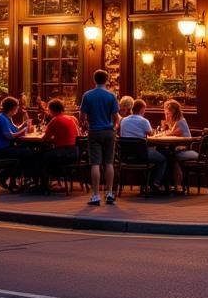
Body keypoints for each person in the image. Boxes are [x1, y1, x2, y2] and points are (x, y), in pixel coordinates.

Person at [79, 69, 119, 206]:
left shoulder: (88, 95)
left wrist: (85, 124)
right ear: (107, 80)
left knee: (95, 163)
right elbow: (115, 117)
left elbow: (82, 116)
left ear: (94, 80)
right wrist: (112, 126)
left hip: (94, 131)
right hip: (108, 131)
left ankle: (95, 195)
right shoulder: (111, 96)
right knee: (108, 162)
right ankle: (109, 193)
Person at [119, 98, 167, 192]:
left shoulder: (123, 121)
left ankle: (147, 183)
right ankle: (155, 183)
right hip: (142, 154)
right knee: (163, 159)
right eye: (144, 109)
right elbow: (151, 134)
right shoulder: (144, 121)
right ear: (142, 109)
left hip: (126, 156)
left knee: (156, 155)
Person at [39, 98, 80, 191]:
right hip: (75, 151)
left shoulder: (55, 120)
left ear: (51, 110)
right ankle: (51, 180)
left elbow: (44, 139)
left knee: (41, 157)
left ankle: (44, 185)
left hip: (65, 152)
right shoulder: (72, 118)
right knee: (47, 155)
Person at [157, 99, 196, 191]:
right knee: (165, 153)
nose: (165, 113)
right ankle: (168, 184)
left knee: (169, 155)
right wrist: (164, 128)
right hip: (178, 147)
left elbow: (174, 133)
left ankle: (176, 183)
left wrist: (162, 132)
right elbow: (170, 132)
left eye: (167, 112)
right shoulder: (175, 121)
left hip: (184, 148)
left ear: (172, 111)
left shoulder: (180, 121)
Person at [0, 96, 30, 190]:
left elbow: (15, 130)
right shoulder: (2, 119)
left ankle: (14, 181)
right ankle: (5, 178)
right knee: (28, 153)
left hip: (7, 148)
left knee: (26, 152)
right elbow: (9, 135)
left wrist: (24, 124)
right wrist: (24, 131)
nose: (18, 108)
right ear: (12, 108)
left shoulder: (7, 117)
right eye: (17, 106)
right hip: (2, 150)